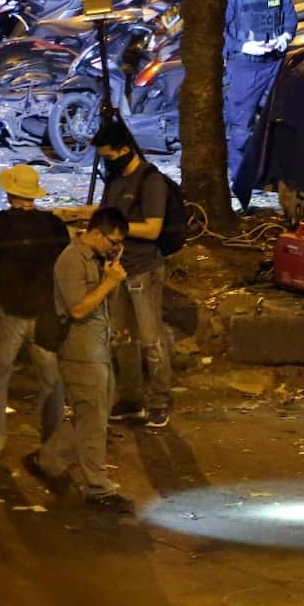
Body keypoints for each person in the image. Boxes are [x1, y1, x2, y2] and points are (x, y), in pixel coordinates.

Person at [25, 207, 133, 512]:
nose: (116, 248)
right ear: (96, 233)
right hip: (80, 350)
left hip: (97, 346)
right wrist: (110, 281)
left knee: (95, 412)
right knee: (94, 420)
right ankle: (98, 487)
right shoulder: (72, 260)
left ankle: (48, 458)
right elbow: (78, 309)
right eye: (113, 241)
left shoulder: (100, 259)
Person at [0, 164, 69, 461]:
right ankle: (52, 444)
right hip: (45, 309)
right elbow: (66, 268)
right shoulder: (54, 225)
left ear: (9, 192)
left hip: (8, 308)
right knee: (51, 379)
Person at [92, 119, 172, 429]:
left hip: (143, 269)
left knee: (151, 339)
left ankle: (159, 400)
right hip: (117, 270)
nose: (106, 162)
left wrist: (118, 231)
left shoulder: (150, 181)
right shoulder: (114, 180)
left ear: (125, 149)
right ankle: (131, 399)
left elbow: (153, 228)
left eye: (109, 156)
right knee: (121, 338)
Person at [223, 0, 296, 208]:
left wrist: (285, 37)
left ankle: (272, 178)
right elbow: (217, 33)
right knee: (240, 128)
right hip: (245, 67)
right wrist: (242, 46)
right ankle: (240, 187)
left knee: (281, 121)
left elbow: (289, 17)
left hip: (274, 63)